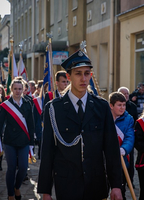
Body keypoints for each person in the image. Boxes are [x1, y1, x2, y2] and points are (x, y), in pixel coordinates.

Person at [37, 50, 123, 200]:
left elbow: (111, 149)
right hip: (66, 184)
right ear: (68, 77)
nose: (83, 78)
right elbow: (48, 151)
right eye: (78, 73)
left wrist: (116, 185)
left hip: (96, 184)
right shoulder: (53, 108)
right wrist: (46, 191)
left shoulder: (101, 107)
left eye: (87, 73)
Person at [0, 78, 35, 200]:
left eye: (20, 89)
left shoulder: (27, 103)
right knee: (11, 168)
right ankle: (11, 194)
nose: (17, 91)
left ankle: (17, 187)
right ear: (11, 89)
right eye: (15, 89)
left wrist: (32, 143)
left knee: (23, 167)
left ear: (23, 90)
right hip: (10, 141)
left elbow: (31, 125)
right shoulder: (6, 105)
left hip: (24, 141)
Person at [109, 92, 134, 200]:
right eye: (119, 105)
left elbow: (130, 137)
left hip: (121, 160)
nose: (122, 108)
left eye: (124, 105)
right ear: (111, 105)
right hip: (104, 161)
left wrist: (124, 149)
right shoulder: (104, 117)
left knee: (120, 192)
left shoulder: (128, 119)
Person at [117, 86, 137, 187]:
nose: (125, 95)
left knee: (130, 161)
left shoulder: (133, 106)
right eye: (123, 94)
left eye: (127, 94)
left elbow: (135, 121)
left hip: (128, 138)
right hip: (117, 138)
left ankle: (130, 181)